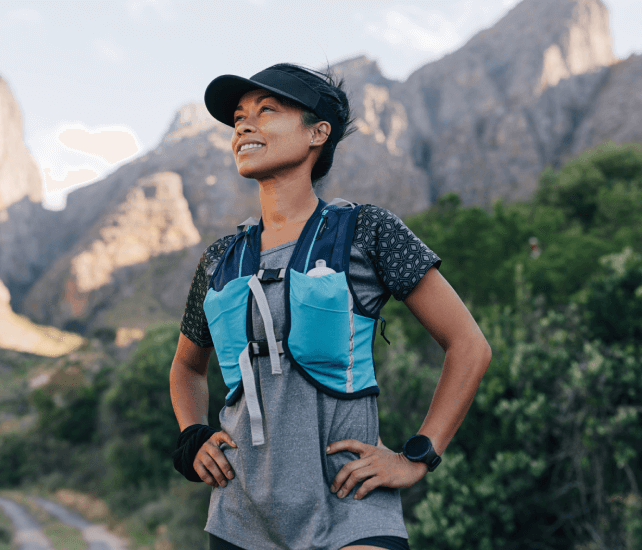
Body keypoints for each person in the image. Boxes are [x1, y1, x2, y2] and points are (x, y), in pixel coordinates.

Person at [168, 62, 492, 550]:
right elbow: (186, 367)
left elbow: (469, 345)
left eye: (267, 110)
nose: (244, 124)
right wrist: (193, 435)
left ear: (319, 132)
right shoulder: (220, 259)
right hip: (240, 519)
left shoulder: (367, 231)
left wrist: (418, 455)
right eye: (238, 116)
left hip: (352, 510)